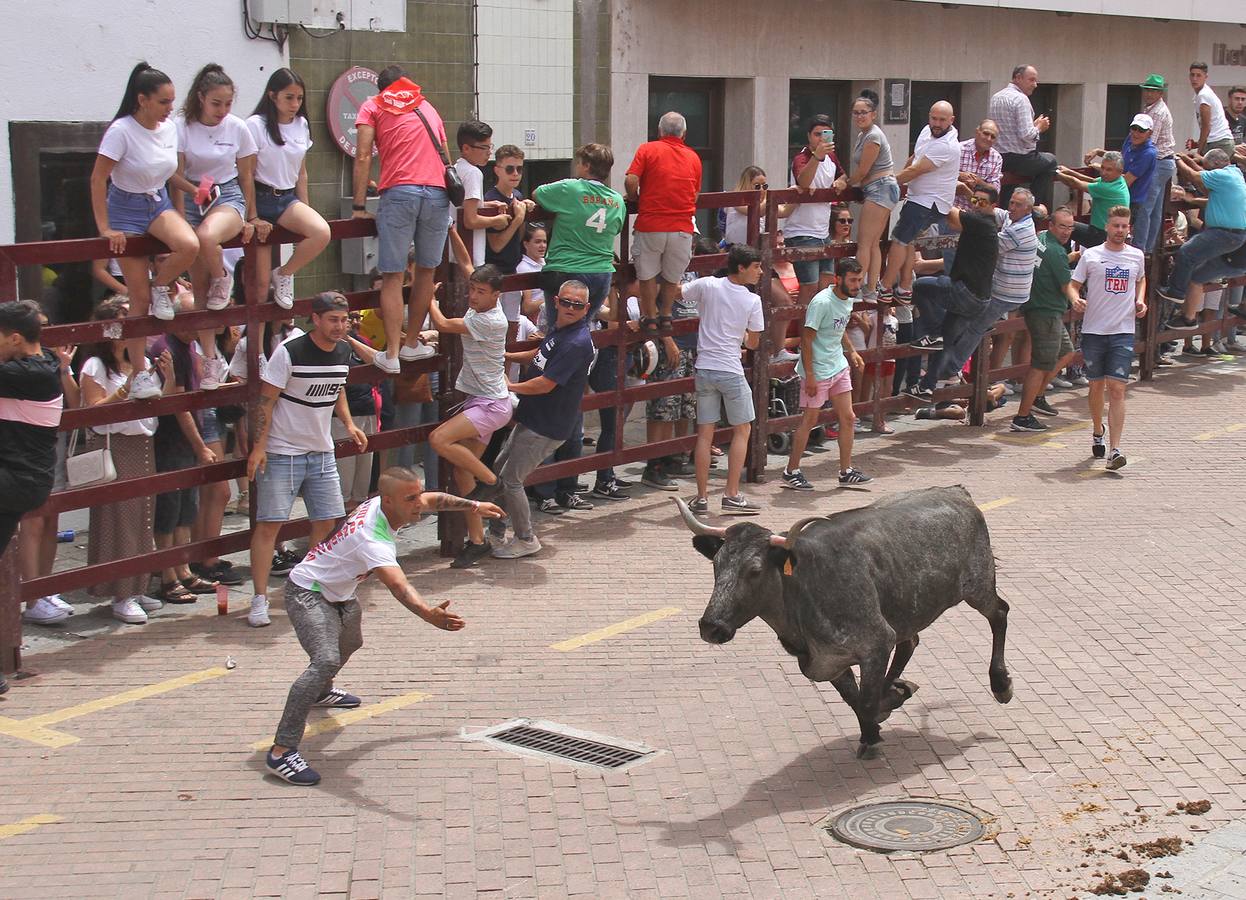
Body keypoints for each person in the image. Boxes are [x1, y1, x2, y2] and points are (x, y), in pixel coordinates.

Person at [264, 465, 501, 786]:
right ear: (388, 501)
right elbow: (399, 586)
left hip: (340, 592)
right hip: (307, 592)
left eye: (417, 494)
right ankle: (282, 751)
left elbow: (434, 499)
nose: (419, 503)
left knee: (351, 642)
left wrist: (474, 506)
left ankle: (320, 692)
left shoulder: (386, 503)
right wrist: (427, 614)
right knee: (325, 660)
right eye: (410, 498)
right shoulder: (371, 539)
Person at [246, 293, 369, 628]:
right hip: (282, 450)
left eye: (344, 320)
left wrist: (347, 423)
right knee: (269, 524)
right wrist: (259, 448)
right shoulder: (289, 351)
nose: (340, 326)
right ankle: (258, 599)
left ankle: (307, 588)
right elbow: (265, 402)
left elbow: (337, 387)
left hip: (322, 448)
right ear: (314, 319)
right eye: (333, 320)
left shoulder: (344, 349)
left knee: (328, 520)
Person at [90, 62, 198, 402]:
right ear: (142, 100)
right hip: (125, 207)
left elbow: (166, 173)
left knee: (189, 245)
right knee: (136, 301)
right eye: (164, 102)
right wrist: (105, 227)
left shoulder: (169, 129)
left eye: (172, 101)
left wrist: (194, 190)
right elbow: (97, 178)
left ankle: (160, 287)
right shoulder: (121, 130)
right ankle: (139, 372)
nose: (170, 109)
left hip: (158, 203)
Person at [78, 297, 172, 624]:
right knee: (120, 520)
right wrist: (126, 389)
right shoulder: (95, 366)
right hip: (115, 444)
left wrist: (167, 377)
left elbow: (159, 403)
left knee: (144, 516)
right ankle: (121, 593)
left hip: (143, 443)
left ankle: (138, 584)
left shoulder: (142, 359)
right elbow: (92, 410)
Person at [487, 280, 597, 559]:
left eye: (577, 305)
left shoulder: (576, 342)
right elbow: (540, 356)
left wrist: (508, 387)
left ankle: (526, 538)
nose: (571, 308)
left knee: (511, 479)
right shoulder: (560, 332)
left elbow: (545, 384)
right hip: (532, 417)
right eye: (567, 302)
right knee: (499, 472)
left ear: (586, 309)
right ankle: (496, 530)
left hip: (546, 425)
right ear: (557, 301)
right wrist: (508, 355)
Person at [353, 65, 450, 371]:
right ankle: (412, 345)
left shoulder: (373, 105)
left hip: (400, 192)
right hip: (437, 193)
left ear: (381, 89)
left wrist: (358, 206)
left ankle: (392, 353)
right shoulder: (426, 106)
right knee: (426, 271)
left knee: (393, 274)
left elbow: (364, 155)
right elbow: (445, 154)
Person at [173, 64, 258, 391]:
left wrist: (251, 216)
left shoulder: (237, 128)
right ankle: (209, 359)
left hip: (227, 195)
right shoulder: (182, 126)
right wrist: (180, 219)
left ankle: (224, 278)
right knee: (199, 292)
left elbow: (247, 175)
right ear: (200, 99)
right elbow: (176, 176)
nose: (223, 111)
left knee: (208, 237)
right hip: (194, 197)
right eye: (216, 104)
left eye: (227, 104)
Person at [427, 266, 511, 569]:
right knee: (461, 471)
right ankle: (478, 542)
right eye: (472, 289)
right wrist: (452, 229)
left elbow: (443, 323)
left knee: (438, 438)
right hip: (483, 401)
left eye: (480, 291)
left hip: (490, 405)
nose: (473, 295)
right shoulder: (490, 305)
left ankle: (492, 481)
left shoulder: (490, 319)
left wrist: (428, 298)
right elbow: (465, 264)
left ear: (496, 295)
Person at [149, 296, 220, 604]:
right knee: (168, 509)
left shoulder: (189, 344)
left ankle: (183, 569)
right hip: (170, 439)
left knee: (185, 509)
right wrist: (201, 446)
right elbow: (178, 407)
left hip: (186, 441)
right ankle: (167, 576)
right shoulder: (165, 348)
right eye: (194, 320)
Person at [685, 244, 765, 516]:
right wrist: (741, 338)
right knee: (742, 430)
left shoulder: (708, 285)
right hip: (730, 369)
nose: (760, 272)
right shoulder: (752, 300)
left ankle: (701, 497)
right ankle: (731, 494)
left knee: (705, 435)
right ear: (741, 268)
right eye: (756, 267)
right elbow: (754, 343)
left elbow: (678, 292)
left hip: (704, 368)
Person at [903, 187, 1001, 402]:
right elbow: (956, 221)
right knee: (945, 342)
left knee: (919, 287)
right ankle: (927, 386)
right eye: (975, 200)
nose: (976, 204)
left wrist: (944, 186)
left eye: (982, 201)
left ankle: (931, 332)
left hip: (965, 292)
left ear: (992, 206)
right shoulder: (986, 221)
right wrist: (968, 194)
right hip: (979, 299)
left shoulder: (981, 222)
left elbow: (951, 214)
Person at [1067, 206, 1146, 470]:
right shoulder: (1091, 255)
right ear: (1107, 227)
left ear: (1129, 228)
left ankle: (1115, 449)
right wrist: (1075, 299)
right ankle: (1097, 429)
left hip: (1123, 331)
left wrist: (1140, 300)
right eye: (1116, 226)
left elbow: (1141, 280)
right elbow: (1073, 284)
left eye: (1124, 226)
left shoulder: (1136, 256)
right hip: (1093, 331)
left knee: (1118, 389)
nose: (1120, 230)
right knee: (1096, 387)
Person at [780, 258, 869, 491]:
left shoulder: (847, 299)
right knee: (809, 420)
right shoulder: (821, 303)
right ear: (838, 279)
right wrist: (810, 375)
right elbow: (807, 340)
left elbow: (838, 329)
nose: (857, 285)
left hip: (837, 365)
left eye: (859, 280)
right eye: (853, 280)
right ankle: (791, 471)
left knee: (848, 417)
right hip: (818, 369)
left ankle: (846, 471)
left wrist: (852, 352)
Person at [246, 67, 332, 310]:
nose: (295, 104)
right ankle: (258, 347)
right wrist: (251, 215)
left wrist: (305, 207)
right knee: (260, 286)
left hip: (287, 199)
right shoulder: (255, 125)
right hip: (260, 197)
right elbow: (247, 174)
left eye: (300, 98)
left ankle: (284, 273)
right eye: (289, 97)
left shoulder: (301, 124)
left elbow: (301, 172)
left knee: (321, 231)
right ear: (273, 96)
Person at [17, 311, 79, 625]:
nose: (46, 332)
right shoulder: (16, 365)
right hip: (28, 452)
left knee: (52, 519)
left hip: (54, 447)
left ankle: (45, 588)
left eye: (48, 325)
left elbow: (76, 403)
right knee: (32, 523)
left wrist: (65, 368)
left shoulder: (55, 361)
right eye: (40, 327)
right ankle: (31, 598)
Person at [531, 143, 625, 323]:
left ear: (587, 166)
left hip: (566, 270)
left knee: (558, 329)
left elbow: (538, 194)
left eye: (579, 163)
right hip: (601, 273)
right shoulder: (617, 200)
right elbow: (617, 228)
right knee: (581, 328)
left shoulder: (571, 188)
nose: (576, 166)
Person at [626, 112, 702, 332]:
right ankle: (667, 314)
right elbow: (695, 194)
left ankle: (650, 316)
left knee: (647, 272)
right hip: (682, 226)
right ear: (684, 134)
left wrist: (634, 197)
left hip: (651, 222)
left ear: (660, 131)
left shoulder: (647, 149)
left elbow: (631, 179)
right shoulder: (694, 158)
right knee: (672, 275)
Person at [0, 301, 62, 559]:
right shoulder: (43, 359)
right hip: (19, 478)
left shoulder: (30, 374)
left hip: (19, 479)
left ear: (15, 339)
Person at [880, 101, 960, 302]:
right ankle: (906, 286)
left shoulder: (947, 145)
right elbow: (915, 159)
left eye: (942, 120)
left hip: (929, 202)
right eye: (934, 118)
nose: (937, 123)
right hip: (919, 198)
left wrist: (889, 181)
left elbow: (917, 169)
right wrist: (900, 181)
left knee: (899, 240)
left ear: (951, 121)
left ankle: (885, 286)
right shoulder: (926, 131)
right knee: (907, 240)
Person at [1159, 149, 1246, 326]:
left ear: (1215, 166)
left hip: (1224, 233)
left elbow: (1194, 175)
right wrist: (1185, 158)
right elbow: (1202, 173)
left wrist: (1176, 159)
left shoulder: (1223, 176)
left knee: (1187, 252)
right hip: (1232, 235)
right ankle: (1188, 319)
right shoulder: (1234, 172)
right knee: (1197, 276)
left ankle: (1176, 292)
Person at [1012, 207, 1079, 432]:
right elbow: (1066, 285)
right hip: (1046, 311)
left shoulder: (1040, 239)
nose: (1066, 231)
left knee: (1067, 351)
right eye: (1062, 226)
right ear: (1051, 225)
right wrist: (1077, 300)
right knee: (1040, 365)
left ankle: (1038, 396)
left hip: (1038, 308)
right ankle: (1022, 416)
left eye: (1070, 227)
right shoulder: (1056, 252)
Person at [834, 92, 899, 302]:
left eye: (864, 112)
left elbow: (862, 171)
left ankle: (859, 289)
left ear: (874, 114)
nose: (860, 116)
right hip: (880, 189)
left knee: (863, 243)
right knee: (872, 244)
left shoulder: (872, 136)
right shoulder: (864, 135)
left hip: (880, 188)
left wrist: (846, 182)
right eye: (856, 113)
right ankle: (870, 290)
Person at [785, 115, 842, 304]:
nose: (821, 139)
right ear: (809, 136)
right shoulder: (801, 157)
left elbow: (844, 176)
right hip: (801, 232)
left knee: (825, 290)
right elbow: (804, 181)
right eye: (817, 134)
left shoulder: (832, 157)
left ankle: (819, 332)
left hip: (823, 232)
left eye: (825, 134)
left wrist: (841, 181)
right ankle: (805, 334)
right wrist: (817, 156)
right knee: (808, 289)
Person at [1084, 116, 1158, 250]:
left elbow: (1126, 179)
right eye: (1133, 128)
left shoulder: (1149, 153)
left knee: (1115, 236)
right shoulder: (1130, 140)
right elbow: (1119, 159)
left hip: (1131, 200)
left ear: (1149, 133)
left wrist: (1102, 172)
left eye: (1141, 130)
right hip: (1113, 194)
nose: (1135, 133)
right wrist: (1098, 152)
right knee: (1101, 233)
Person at [990, 65, 1056, 208]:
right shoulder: (1021, 99)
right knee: (1051, 161)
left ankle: (1008, 211)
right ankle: (1032, 206)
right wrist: (1040, 127)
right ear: (1018, 78)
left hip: (1000, 157)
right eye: (1031, 80)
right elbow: (1027, 135)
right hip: (1020, 158)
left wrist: (1033, 125)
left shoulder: (996, 97)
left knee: (1008, 188)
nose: (1035, 84)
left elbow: (1012, 130)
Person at [453, 121, 511, 268]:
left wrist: (486, 204)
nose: (489, 152)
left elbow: (462, 206)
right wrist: (498, 220)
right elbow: (470, 220)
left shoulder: (456, 169)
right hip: (470, 253)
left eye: (490, 147)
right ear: (466, 148)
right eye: (484, 147)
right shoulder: (473, 173)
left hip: (453, 252)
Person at [1055, 153, 1131, 248]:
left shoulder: (1109, 188)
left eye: (1109, 170)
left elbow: (1075, 183)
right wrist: (1069, 172)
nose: (1103, 172)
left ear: (1120, 171)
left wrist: (1055, 173)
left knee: (1065, 226)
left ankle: (1066, 261)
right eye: (1102, 168)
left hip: (1102, 235)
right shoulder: (1119, 180)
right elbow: (1092, 181)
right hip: (1103, 232)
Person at [1139, 74, 1178, 254]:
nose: (1148, 93)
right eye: (1147, 90)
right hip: (1164, 162)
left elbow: (1148, 143)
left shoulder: (1157, 112)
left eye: (1153, 91)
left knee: (1145, 207)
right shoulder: (1152, 109)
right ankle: (1149, 247)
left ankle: (1141, 247)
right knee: (1154, 209)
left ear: (1160, 93)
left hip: (1159, 162)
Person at [484, 144, 535, 278]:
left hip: (514, 267)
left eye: (519, 169)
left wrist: (524, 213)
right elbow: (496, 246)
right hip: (494, 271)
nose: (515, 173)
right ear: (497, 170)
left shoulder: (518, 195)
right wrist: (518, 220)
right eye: (509, 169)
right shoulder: (491, 199)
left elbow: (519, 237)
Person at [1189, 62, 1235, 156]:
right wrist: (1198, 144)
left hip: (1218, 142)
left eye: (1198, 75)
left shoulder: (1203, 95)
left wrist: (1199, 151)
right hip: (1219, 141)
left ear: (1205, 77)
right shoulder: (1200, 94)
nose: (1194, 79)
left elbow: (1206, 126)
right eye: (1192, 75)